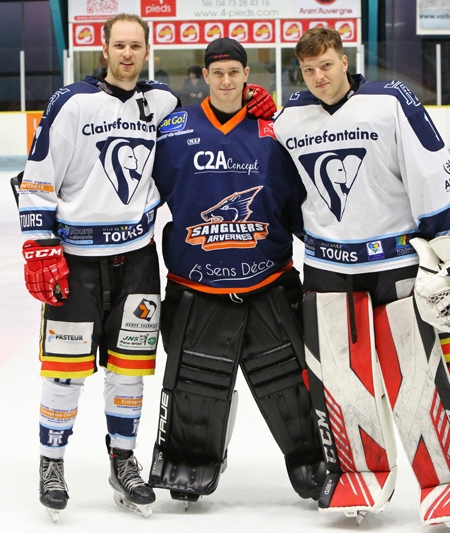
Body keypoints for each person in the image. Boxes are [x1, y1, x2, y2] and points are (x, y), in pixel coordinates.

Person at [272, 27, 450, 528]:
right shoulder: (289, 120)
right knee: (340, 382)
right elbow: (282, 196)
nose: (319, 77)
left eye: (326, 64)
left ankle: (449, 479)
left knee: (414, 377)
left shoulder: (390, 100)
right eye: (308, 70)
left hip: (396, 264)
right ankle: (355, 474)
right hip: (327, 267)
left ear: (344, 60)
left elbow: (431, 169)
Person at [146, 37, 326, 509]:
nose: (226, 81)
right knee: (193, 383)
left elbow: (305, 200)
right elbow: (134, 193)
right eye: (217, 73)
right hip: (195, 284)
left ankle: (314, 456)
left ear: (248, 76)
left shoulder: (276, 129)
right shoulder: (173, 130)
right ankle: (191, 458)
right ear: (205, 77)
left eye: (235, 72)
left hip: (268, 278)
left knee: (290, 377)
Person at [17, 13, 180, 521]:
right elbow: (38, 178)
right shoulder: (72, 103)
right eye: (120, 45)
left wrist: (251, 103)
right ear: (103, 50)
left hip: (137, 261)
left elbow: (205, 137)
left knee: (130, 371)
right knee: (63, 373)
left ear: (147, 51)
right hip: (76, 263)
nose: (128, 54)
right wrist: (38, 244)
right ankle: (51, 463)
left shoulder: (163, 104)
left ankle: (122, 460)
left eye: (137, 46)